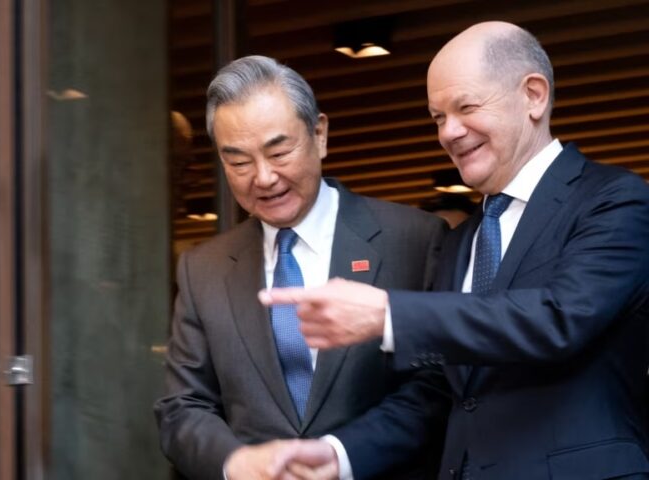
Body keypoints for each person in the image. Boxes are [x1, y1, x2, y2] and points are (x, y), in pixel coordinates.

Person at [261, 21, 649, 479]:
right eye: (437, 117)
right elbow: (441, 392)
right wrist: (341, 454)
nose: (449, 132)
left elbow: (559, 318)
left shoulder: (615, 200)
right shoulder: (462, 240)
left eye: (465, 107)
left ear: (534, 96)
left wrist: (388, 315)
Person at [153, 55, 450, 480]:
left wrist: (340, 456)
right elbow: (182, 407)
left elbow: (435, 385)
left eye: (279, 151)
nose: (264, 177)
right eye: (238, 162)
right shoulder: (204, 269)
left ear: (319, 134)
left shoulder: (414, 240)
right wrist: (235, 462)